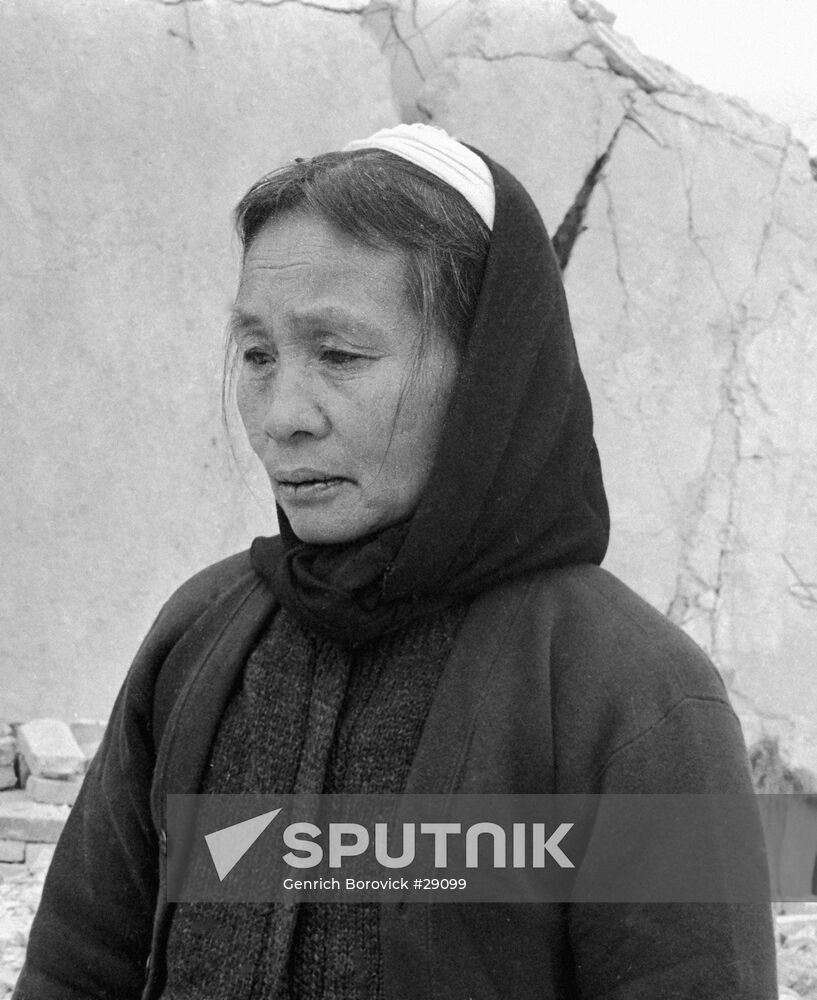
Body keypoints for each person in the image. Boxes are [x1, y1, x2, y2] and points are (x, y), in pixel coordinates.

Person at [14, 124, 776, 999]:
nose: (279, 416)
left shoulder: (630, 693)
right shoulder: (200, 638)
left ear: (488, 374)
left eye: (338, 354)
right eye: (258, 355)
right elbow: (79, 967)